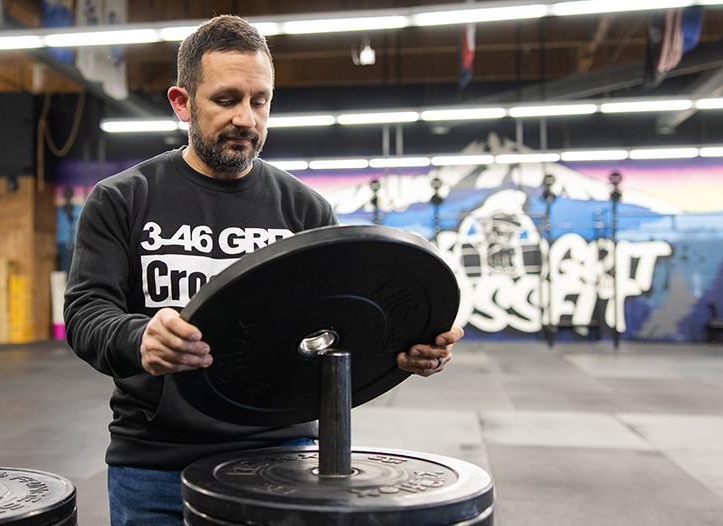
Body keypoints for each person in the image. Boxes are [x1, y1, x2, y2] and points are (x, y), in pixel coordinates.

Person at [63, 14, 465, 526]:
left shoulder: (306, 211)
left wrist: (402, 347)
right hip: (156, 465)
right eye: (227, 100)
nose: (247, 119)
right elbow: (86, 312)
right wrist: (140, 338)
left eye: (260, 101)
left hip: (281, 456)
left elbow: (338, 330)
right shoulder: (123, 199)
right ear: (182, 103)